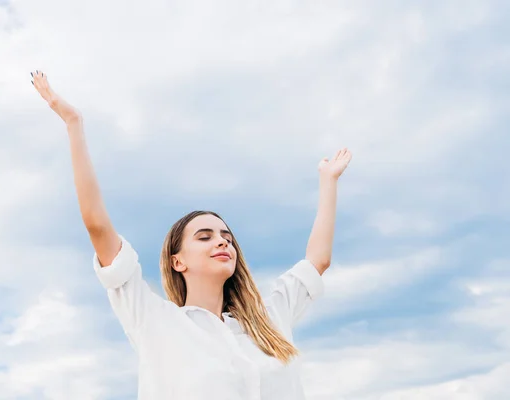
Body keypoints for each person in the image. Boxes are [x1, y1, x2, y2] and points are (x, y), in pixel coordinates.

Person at [31, 70, 352, 400]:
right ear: (177, 261)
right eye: (204, 236)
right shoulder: (155, 321)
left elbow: (317, 261)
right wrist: (74, 123)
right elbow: (97, 226)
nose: (222, 241)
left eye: (226, 235)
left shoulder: (270, 319)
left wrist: (328, 181)